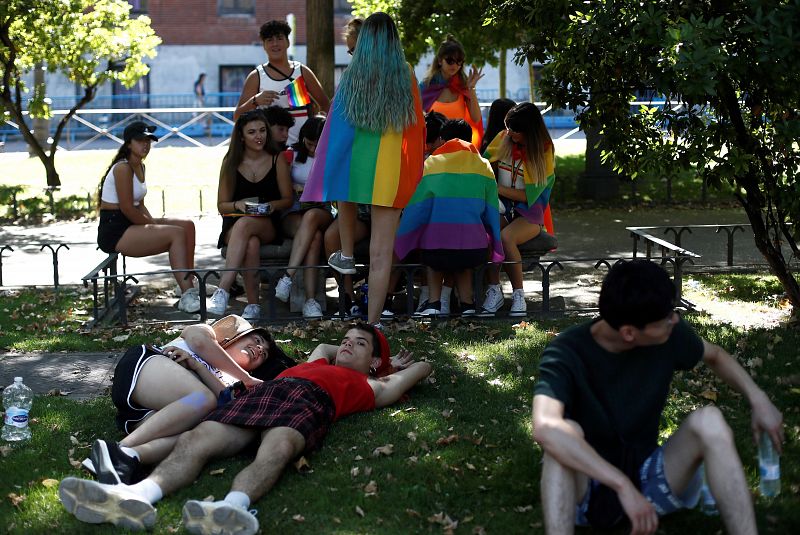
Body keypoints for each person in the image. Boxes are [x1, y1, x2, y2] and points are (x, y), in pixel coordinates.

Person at [59, 324, 432, 535]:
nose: (346, 346)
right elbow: (321, 343)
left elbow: (424, 366)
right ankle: (139, 494)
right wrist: (356, 348)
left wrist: (386, 367)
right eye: (346, 341)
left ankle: (232, 508)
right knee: (197, 437)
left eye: (358, 344)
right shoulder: (315, 360)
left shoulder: (373, 386)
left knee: (280, 447)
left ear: (376, 361)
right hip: (268, 393)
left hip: (309, 402)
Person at [532, 260, 784, 535]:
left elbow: (715, 355)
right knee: (562, 435)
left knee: (709, 420)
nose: (674, 320)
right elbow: (544, 428)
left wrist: (759, 400)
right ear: (628, 333)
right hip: (586, 483)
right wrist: (621, 485)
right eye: (665, 318)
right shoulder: (566, 352)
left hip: (648, 474)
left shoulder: (668, 333)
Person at [301, 12, 425, 326]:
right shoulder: (406, 73)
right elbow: (415, 128)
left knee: (347, 207)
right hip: (389, 172)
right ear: (393, 39)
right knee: (381, 252)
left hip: (356, 168)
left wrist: (332, 169)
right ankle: (372, 323)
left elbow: (337, 126)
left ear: (365, 40)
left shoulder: (354, 74)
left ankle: (345, 256)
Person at [81, 315, 295, 484]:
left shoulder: (232, 384)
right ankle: (116, 451)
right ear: (238, 335)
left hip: (148, 414)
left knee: (192, 436)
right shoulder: (208, 334)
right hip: (143, 368)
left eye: (264, 354)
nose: (259, 349)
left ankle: (129, 457)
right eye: (257, 340)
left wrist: (198, 366)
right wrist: (246, 378)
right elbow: (198, 341)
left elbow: (225, 404)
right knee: (204, 398)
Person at [396, 119, 503, 317]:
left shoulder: (431, 164)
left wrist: (405, 236)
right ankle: (467, 304)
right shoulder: (484, 166)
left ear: (443, 140)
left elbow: (419, 208)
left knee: (434, 247)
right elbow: (491, 209)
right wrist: (494, 242)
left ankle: (434, 303)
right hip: (474, 250)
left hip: (436, 250)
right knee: (464, 257)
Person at [96, 121, 200, 314]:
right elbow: (127, 208)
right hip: (115, 230)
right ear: (128, 143)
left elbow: (139, 204)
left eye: (149, 141)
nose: (145, 145)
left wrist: (153, 223)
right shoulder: (123, 168)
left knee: (187, 226)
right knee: (175, 234)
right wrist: (153, 226)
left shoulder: (140, 166)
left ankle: (187, 282)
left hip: (130, 222)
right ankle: (188, 294)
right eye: (140, 140)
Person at [208, 110, 293, 319]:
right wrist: (239, 205)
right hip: (234, 223)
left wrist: (271, 206)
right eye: (252, 132)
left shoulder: (277, 159)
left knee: (248, 227)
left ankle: (223, 289)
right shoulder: (231, 161)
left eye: (263, 130)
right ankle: (253, 305)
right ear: (242, 136)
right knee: (250, 242)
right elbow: (222, 206)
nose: (259, 136)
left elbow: (288, 199)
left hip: (267, 223)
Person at [479, 102, 555, 317]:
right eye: (508, 127)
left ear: (529, 131)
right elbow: (484, 166)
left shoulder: (545, 151)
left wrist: (497, 188)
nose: (509, 133)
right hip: (501, 206)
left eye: (515, 130)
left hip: (529, 213)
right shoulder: (504, 137)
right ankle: (494, 291)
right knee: (490, 233)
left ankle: (519, 295)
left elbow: (528, 196)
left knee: (506, 237)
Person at [272, 116, 333, 319]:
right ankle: (310, 300)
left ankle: (288, 276)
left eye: (319, 144)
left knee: (313, 217)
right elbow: (281, 186)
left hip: (320, 210)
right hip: (293, 211)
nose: (314, 149)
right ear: (303, 139)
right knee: (314, 238)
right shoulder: (291, 155)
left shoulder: (332, 156)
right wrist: (294, 188)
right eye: (309, 144)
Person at [233, 20, 330, 146]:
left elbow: (326, 106)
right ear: (264, 45)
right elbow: (237, 117)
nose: (275, 44)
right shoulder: (256, 76)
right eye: (269, 40)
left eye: (279, 38)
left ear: (288, 42)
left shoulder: (302, 71)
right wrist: (255, 101)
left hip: (302, 150)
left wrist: (316, 131)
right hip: (270, 150)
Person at [420, 35, 484, 148]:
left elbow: (476, 118)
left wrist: (471, 89)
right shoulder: (426, 86)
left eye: (459, 61)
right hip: (432, 151)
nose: (455, 65)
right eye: (450, 60)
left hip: (458, 149)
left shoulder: (464, 86)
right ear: (440, 60)